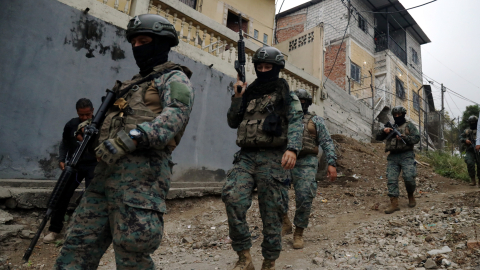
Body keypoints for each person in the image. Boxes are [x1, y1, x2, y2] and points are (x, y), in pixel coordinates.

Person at [54, 14, 194, 269]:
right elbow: (114, 122)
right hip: (104, 177)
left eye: (144, 40)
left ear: (161, 43)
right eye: (134, 42)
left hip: (141, 180)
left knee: (133, 253)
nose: (138, 47)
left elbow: (174, 119)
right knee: (77, 245)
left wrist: (130, 138)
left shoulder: (174, 79)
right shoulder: (130, 85)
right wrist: (91, 130)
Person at [222, 46, 303, 270]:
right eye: (260, 67)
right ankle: (244, 257)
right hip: (246, 157)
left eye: (268, 67)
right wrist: (237, 96)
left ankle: (269, 261)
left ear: (277, 69)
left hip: (274, 158)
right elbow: (232, 121)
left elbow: (296, 122)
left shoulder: (286, 94)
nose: (264, 70)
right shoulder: (248, 93)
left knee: (273, 213)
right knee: (232, 198)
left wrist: (293, 149)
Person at [281, 89, 337, 249]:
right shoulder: (285, 119)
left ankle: (298, 232)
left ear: (307, 103)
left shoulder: (315, 120)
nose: (300, 104)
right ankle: (285, 221)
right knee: (275, 193)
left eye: (303, 101)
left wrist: (331, 163)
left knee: (305, 197)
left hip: (306, 161)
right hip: (285, 160)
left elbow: (326, 141)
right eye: (297, 100)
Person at [43, 98, 97, 244]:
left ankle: (87, 232)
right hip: (75, 165)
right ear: (77, 113)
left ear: (93, 111)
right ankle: (54, 230)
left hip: (94, 165)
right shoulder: (71, 125)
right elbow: (64, 143)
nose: (85, 118)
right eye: (81, 115)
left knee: (92, 198)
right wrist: (61, 159)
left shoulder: (99, 123)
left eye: (87, 115)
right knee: (61, 195)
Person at [375, 106, 419, 214]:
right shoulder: (390, 126)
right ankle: (394, 203)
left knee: (409, 177)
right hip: (393, 156)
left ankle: (410, 195)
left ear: (403, 114)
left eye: (399, 115)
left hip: (406, 155)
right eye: (395, 115)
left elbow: (416, 138)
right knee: (391, 179)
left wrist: (405, 138)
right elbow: (377, 137)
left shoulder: (409, 126)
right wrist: (384, 131)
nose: (397, 116)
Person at [460, 115, 479, 186]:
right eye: (471, 122)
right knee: (470, 163)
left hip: (478, 150)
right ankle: (473, 180)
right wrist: (465, 140)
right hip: (470, 150)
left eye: (474, 122)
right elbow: (461, 137)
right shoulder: (467, 131)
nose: (472, 124)